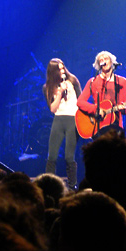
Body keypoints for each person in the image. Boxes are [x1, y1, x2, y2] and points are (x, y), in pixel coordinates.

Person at [43, 58, 81, 190]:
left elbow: (81, 101)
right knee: (52, 155)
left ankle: (72, 186)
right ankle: (48, 185)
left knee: (69, 155)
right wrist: (59, 93)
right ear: (53, 72)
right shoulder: (48, 87)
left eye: (63, 67)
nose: (62, 70)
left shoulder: (73, 81)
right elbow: (52, 109)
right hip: (58, 120)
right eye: (59, 69)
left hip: (73, 119)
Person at [76, 50, 126, 138]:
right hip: (97, 125)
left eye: (105, 58)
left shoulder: (121, 81)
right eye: (100, 60)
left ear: (111, 62)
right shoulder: (93, 81)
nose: (103, 61)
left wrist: (123, 108)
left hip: (115, 125)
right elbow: (80, 102)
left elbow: (125, 103)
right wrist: (95, 109)